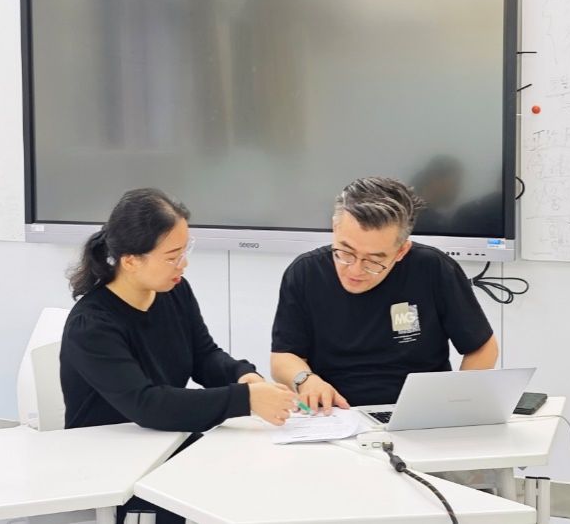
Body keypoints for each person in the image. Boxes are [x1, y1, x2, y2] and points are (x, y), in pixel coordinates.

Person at [61, 188, 297, 524]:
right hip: (111, 463)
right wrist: (246, 399)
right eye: (172, 256)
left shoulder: (173, 291)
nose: (183, 264)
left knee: (256, 480)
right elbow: (147, 405)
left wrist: (244, 376)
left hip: (163, 442)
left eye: (185, 251)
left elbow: (203, 356)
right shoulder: (92, 326)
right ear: (131, 261)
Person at [270, 176, 498, 412]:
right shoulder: (306, 272)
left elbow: (482, 348)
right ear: (335, 228)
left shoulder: (433, 268)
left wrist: (456, 403)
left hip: (418, 410)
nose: (355, 270)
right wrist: (306, 380)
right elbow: (283, 356)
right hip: (335, 412)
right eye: (345, 252)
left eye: (373, 261)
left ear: (401, 251)